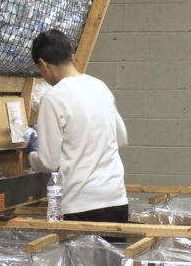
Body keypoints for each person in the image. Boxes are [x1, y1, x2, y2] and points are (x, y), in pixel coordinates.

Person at [26, 29, 129, 223]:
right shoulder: (100, 87)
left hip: (82, 205)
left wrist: (31, 154)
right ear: (72, 57)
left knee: (79, 254)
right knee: (112, 254)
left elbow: (49, 162)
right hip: (116, 199)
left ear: (43, 64)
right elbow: (121, 136)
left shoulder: (53, 98)